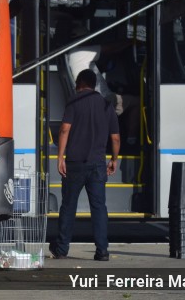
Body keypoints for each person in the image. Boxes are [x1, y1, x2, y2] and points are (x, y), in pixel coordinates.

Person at [49, 69, 120, 261]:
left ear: (80, 83)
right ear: (94, 84)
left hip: (74, 164)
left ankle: (62, 249)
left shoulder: (74, 101)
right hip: (97, 164)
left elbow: (64, 130)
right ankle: (102, 250)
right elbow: (115, 138)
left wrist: (60, 157)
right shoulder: (106, 105)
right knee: (99, 207)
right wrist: (114, 159)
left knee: (69, 206)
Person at [66, 24, 140, 147]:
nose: (91, 41)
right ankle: (131, 142)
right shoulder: (80, 51)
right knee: (137, 102)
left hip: (93, 98)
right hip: (103, 100)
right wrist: (131, 41)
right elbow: (110, 48)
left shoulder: (72, 54)